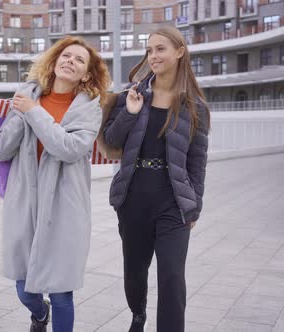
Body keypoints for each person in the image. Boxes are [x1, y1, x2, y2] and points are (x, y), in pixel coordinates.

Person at [0, 36, 110, 332]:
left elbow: (69, 148)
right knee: (24, 288)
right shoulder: (28, 97)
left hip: (65, 208)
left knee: (61, 291)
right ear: (54, 62)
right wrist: (21, 113)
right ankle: (38, 314)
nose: (71, 61)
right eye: (66, 56)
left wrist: (33, 111)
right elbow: (0, 150)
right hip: (25, 204)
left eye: (79, 60)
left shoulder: (89, 109)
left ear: (87, 74)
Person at [103, 26, 210, 332]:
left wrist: (194, 207)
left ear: (180, 52)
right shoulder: (131, 96)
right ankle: (138, 314)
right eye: (149, 50)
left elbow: (197, 162)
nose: (153, 56)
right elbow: (111, 139)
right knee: (134, 273)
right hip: (134, 197)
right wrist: (130, 112)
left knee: (173, 277)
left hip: (173, 202)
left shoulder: (195, 107)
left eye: (161, 49)